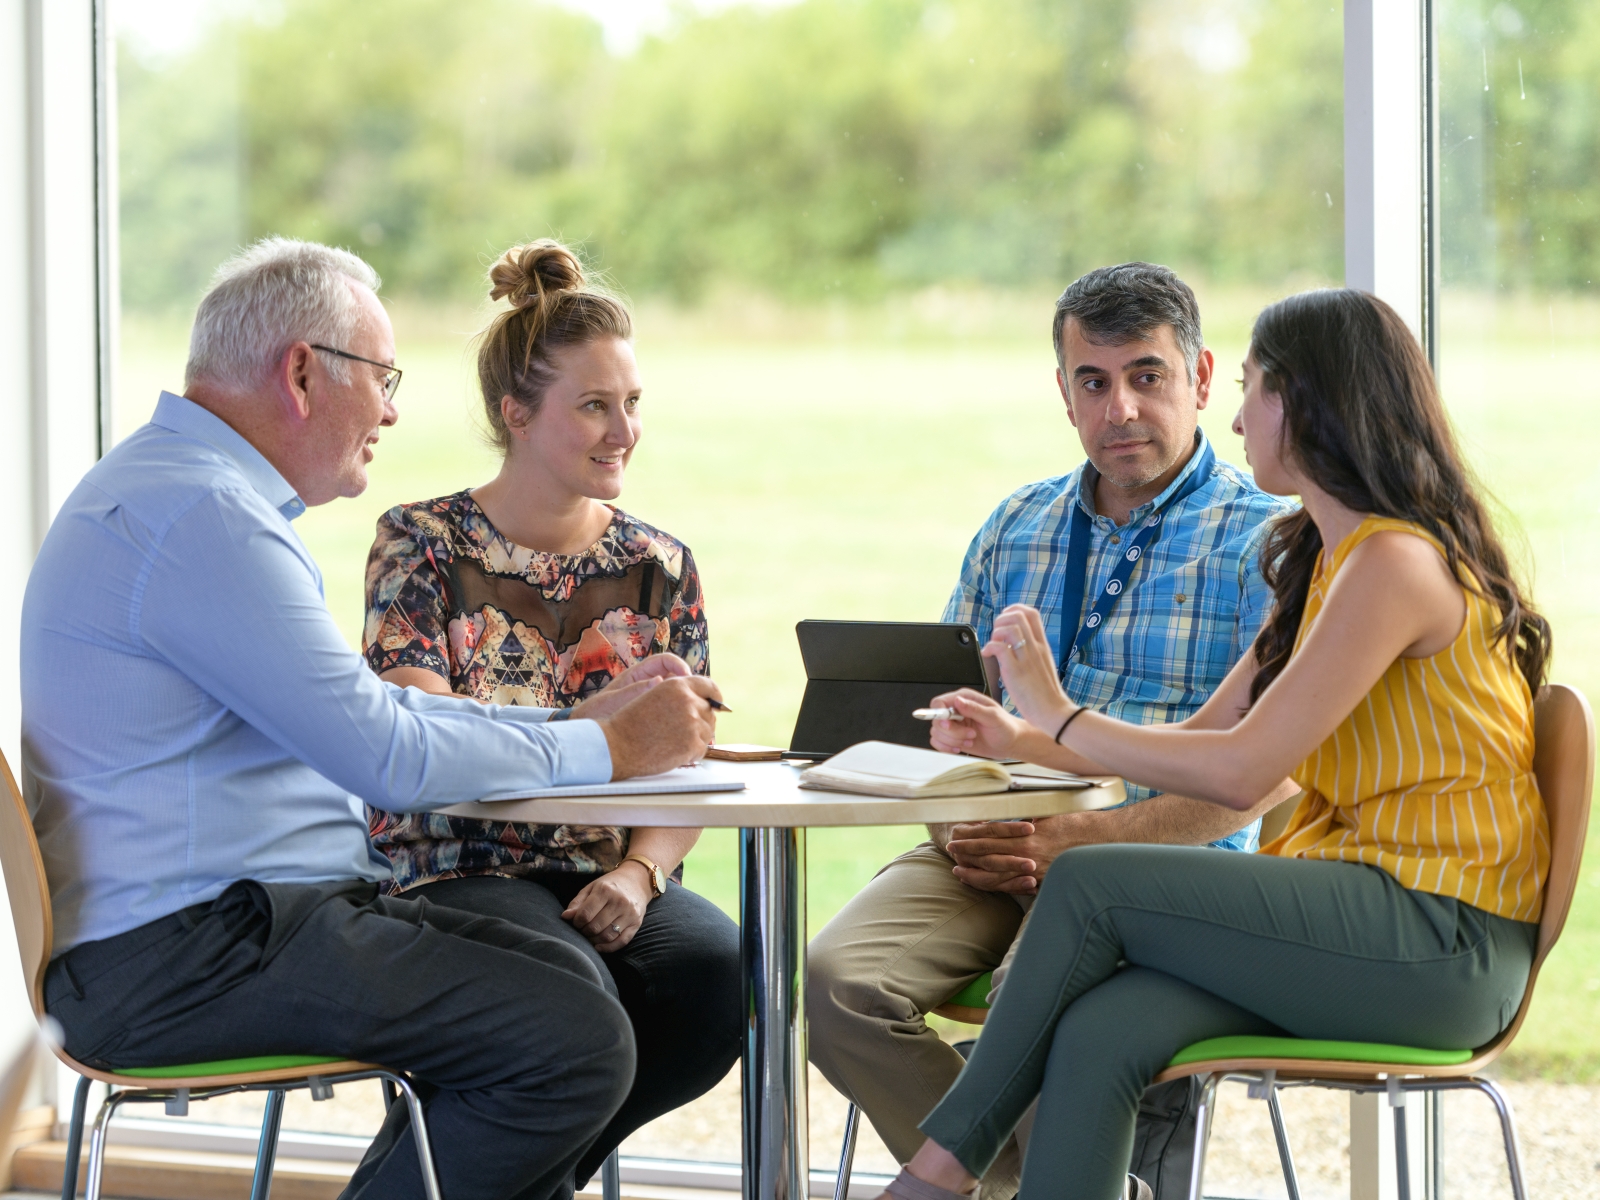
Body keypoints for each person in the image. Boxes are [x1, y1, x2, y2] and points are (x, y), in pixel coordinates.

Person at [20, 237, 724, 1200]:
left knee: (595, 1000)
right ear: (303, 373)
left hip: (238, 922)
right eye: (383, 377)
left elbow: (377, 716)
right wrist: (604, 740)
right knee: (569, 1036)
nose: (393, 409)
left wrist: (587, 741)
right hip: (191, 952)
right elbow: (386, 751)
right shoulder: (204, 521)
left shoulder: (181, 496)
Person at [888, 288, 1551, 1200]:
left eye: (1252, 391)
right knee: (1104, 1029)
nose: (1236, 419)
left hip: (1443, 940)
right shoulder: (1321, 561)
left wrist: (1061, 713)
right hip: (1366, 910)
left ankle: (933, 1176)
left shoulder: (1395, 565)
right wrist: (1028, 734)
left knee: (1089, 882)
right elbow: (1201, 737)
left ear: (1311, 404)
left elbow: (1244, 772)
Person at [806, 263, 1296, 1196]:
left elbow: (1274, 773)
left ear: (1200, 380)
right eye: (1094, 381)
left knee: (1034, 1018)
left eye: (1147, 377)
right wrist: (957, 826)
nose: (1122, 410)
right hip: (989, 848)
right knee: (836, 983)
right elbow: (946, 719)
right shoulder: (1015, 526)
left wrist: (1079, 839)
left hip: (1161, 867)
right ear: (1064, 394)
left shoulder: (1269, 538)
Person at [361, 238, 740, 1186]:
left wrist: (643, 878)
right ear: (515, 414)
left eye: (633, 402)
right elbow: (426, 729)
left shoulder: (662, 565)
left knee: (718, 976)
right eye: (595, 406)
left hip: (603, 873)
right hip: (456, 868)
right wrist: (596, 736)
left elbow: (684, 760)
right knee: (567, 1003)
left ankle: (519, 1175)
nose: (626, 430)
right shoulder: (421, 543)